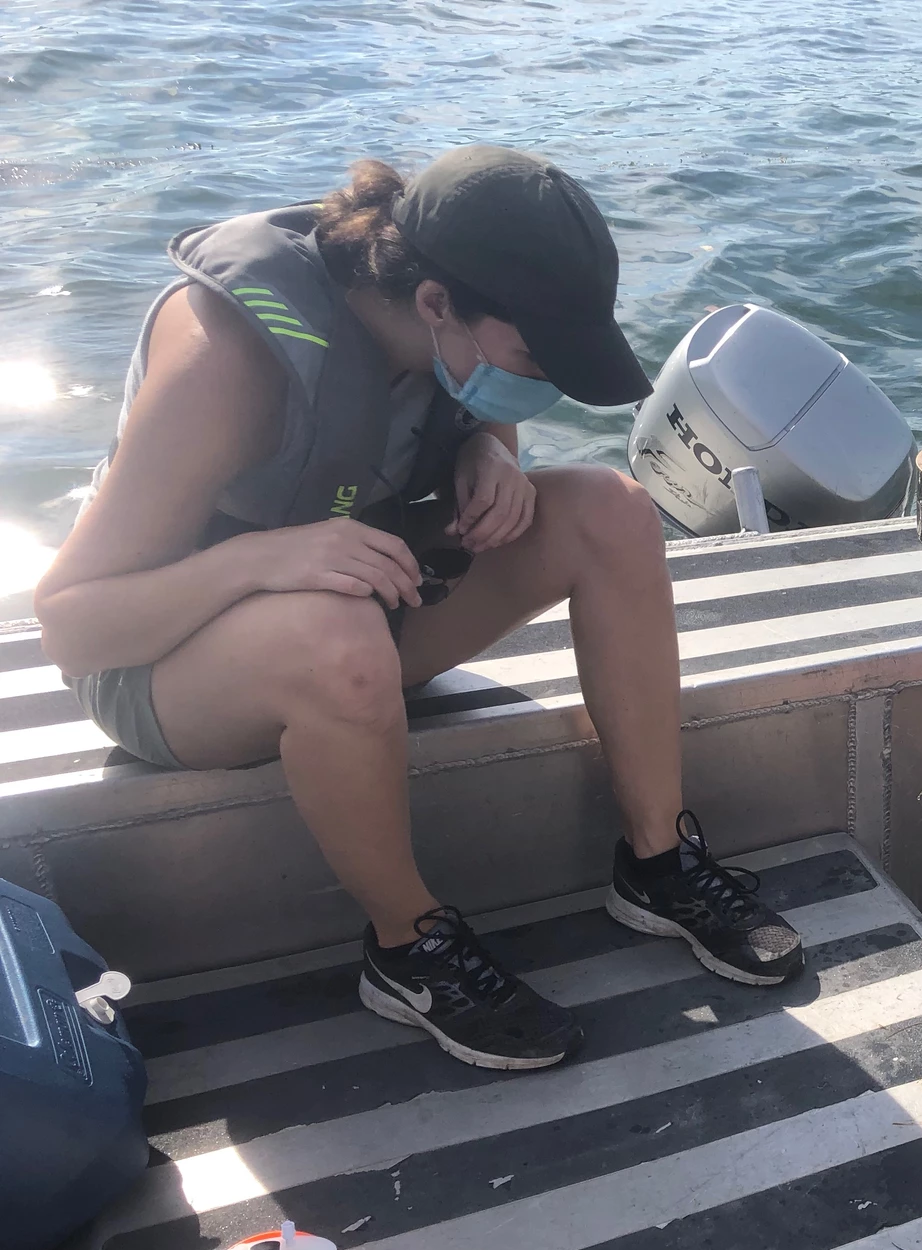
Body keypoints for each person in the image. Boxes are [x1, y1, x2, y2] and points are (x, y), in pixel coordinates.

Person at [34, 147, 805, 1073]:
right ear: (437, 303)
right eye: (532, 359)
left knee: (612, 508)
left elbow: (474, 403)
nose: (543, 382)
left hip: (361, 607)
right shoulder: (226, 360)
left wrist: (491, 451)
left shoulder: (443, 326)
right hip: (166, 667)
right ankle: (407, 949)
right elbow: (73, 622)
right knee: (336, 633)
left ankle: (658, 863)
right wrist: (265, 559)